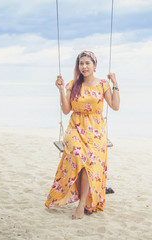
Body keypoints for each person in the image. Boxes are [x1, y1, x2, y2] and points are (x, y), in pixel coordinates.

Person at [45, 50, 120, 219]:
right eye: (81, 63)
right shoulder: (72, 85)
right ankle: (83, 201)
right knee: (79, 157)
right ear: (78, 66)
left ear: (94, 65)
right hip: (75, 128)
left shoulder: (102, 84)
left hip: (95, 131)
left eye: (87, 63)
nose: (84, 66)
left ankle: (82, 204)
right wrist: (60, 90)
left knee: (88, 164)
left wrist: (115, 83)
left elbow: (115, 106)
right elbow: (66, 110)